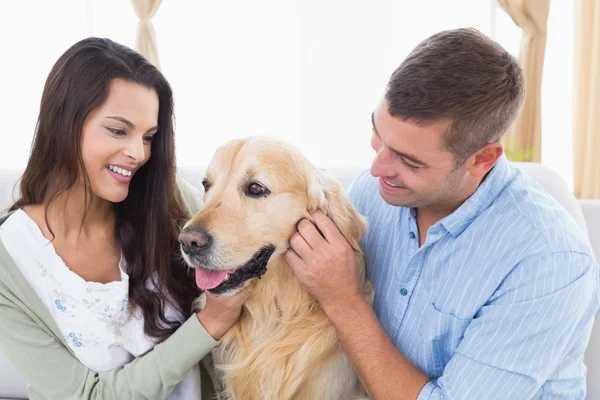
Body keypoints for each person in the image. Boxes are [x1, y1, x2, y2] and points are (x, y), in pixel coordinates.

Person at [286, 28, 599, 399]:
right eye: (379, 136)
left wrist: (343, 300)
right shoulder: (375, 194)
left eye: (408, 160)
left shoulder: (548, 262)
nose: (376, 168)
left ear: (482, 159)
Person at [0, 37, 248, 399]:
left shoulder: (167, 199)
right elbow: (87, 396)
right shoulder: (10, 263)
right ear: (63, 122)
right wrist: (208, 324)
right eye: (118, 130)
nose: (137, 153)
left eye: (148, 137)